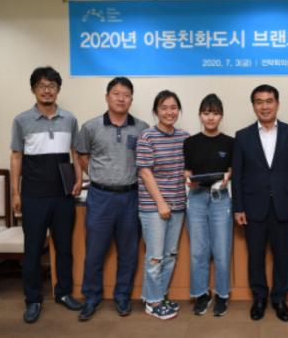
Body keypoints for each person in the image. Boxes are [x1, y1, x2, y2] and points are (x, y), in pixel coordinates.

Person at [10, 66, 83, 323]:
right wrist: (15, 193)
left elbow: (75, 152)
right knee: (32, 251)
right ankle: (33, 300)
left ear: (58, 90)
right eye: (42, 86)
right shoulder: (22, 120)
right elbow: (16, 156)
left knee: (64, 248)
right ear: (34, 89)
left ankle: (63, 293)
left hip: (63, 195)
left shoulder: (69, 119)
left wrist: (79, 178)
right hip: (33, 196)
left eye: (52, 86)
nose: (47, 90)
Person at [76, 77, 149, 321]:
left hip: (131, 196)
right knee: (95, 251)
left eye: (126, 95)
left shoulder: (141, 128)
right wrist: (98, 175)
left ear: (131, 100)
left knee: (128, 252)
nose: (121, 98)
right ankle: (91, 297)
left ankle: (122, 296)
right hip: (100, 197)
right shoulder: (90, 126)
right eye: (116, 93)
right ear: (107, 97)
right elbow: (82, 155)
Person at [232, 84, 288, 322]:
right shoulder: (242, 136)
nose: (265, 106)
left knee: (282, 255)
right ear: (253, 106)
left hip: (284, 204)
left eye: (269, 101)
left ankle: (280, 299)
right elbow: (238, 175)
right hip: (253, 206)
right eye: (259, 102)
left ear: (277, 104)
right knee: (255, 255)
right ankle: (259, 298)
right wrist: (238, 207)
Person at [136, 90, 189, 320]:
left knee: (169, 255)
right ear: (156, 111)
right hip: (154, 207)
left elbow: (187, 169)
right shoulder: (147, 136)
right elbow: (145, 173)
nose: (169, 112)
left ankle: (159, 295)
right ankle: (153, 302)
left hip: (178, 205)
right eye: (164, 107)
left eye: (173, 107)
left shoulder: (184, 137)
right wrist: (161, 203)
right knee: (155, 257)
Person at [184, 94, 234, 317]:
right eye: (206, 113)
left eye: (214, 113)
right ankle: (201, 294)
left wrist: (228, 176)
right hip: (196, 197)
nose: (210, 117)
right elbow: (187, 171)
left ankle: (222, 294)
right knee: (198, 250)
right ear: (200, 116)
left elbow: (232, 169)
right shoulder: (190, 142)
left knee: (221, 249)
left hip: (220, 197)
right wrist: (188, 179)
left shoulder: (230, 142)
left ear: (221, 116)